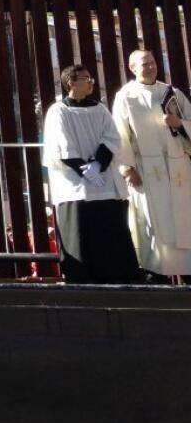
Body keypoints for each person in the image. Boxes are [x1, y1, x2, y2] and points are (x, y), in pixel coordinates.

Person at [43, 63, 140, 284]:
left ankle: (119, 278)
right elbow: (60, 144)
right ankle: (81, 279)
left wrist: (98, 165)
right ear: (71, 82)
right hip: (75, 185)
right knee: (81, 236)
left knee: (110, 234)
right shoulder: (58, 111)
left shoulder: (100, 109)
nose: (91, 83)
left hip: (103, 179)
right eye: (86, 78)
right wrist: (84, 169)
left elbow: (112, 137)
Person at [112, 49, 191, 279]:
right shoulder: (126, 96)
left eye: (153, 62)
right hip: (147, 170)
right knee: (155, 223)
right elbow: (120, 133)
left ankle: (187, 274)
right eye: (144, 64)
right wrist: (127, 167)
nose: (150, 67)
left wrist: (180, 123)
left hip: (179, 169)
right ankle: (158, 275)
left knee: (184, 219)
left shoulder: (171, 92)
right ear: (132, 68)